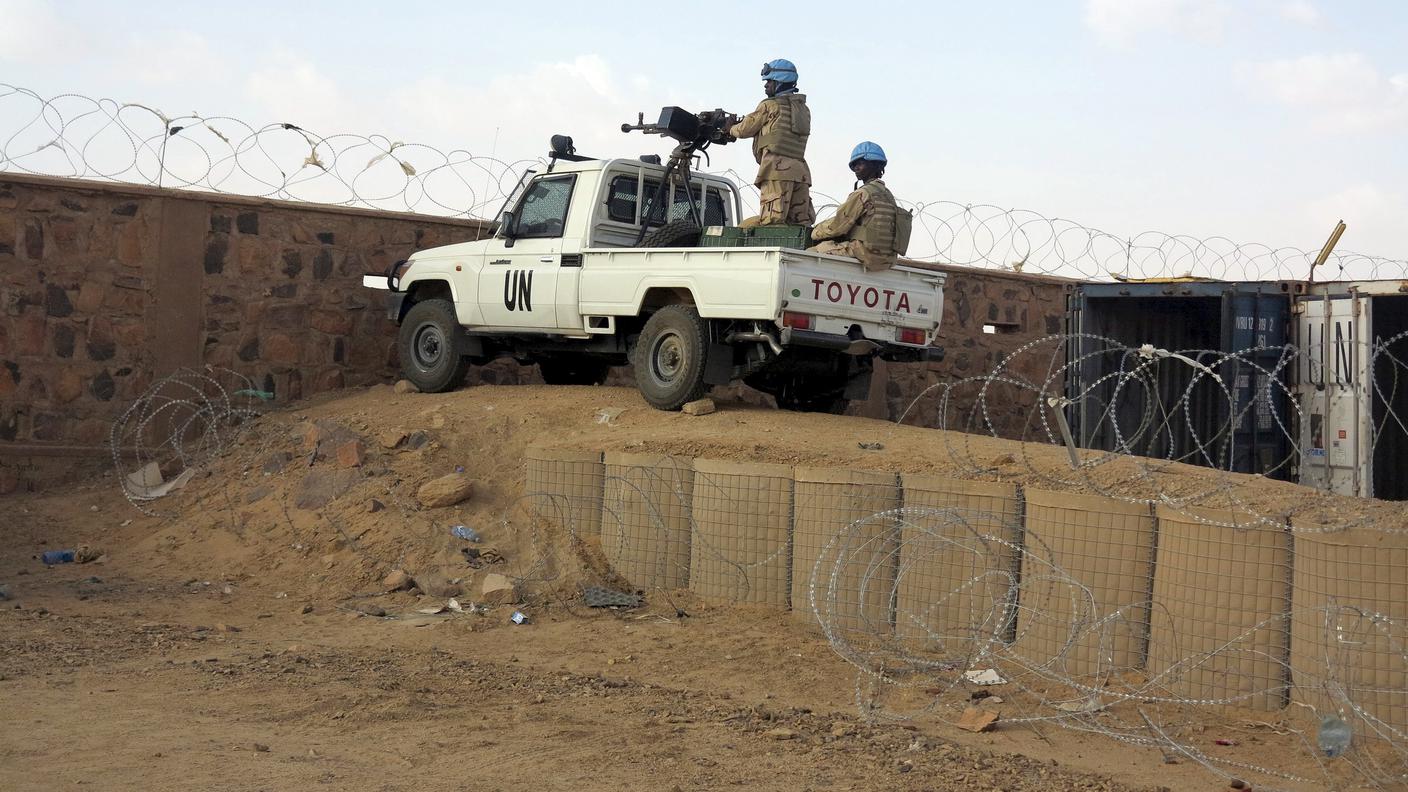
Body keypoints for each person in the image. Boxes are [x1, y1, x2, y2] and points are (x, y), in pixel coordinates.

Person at [724, 58, 815, 228]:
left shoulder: (770, 105)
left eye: (769, 81)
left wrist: (729, 128)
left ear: (780, 82)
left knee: (771, 223)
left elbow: (744, 129)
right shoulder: (803, 110)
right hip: (800, 172)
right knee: (799, 225)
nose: (766, 85)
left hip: (776, 171)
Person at [809, 142, 903, 271]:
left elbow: (838, 226)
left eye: (860, 163)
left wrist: (815, 232)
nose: (856, 169)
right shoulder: (888, 195)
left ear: (875, 165)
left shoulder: (863, 193)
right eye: (854, 166)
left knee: (810, 253)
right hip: (888, 259)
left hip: (865, 254)